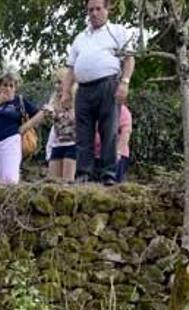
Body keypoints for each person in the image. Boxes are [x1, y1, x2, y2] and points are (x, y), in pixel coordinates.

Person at [60, 0, 135, 185]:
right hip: (84, 89)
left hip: (108, 84)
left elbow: (129, 58)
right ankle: (84, 173)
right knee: (83, 132)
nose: (94, 13)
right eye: (90, 10)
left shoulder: (118, 31)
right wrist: (66, 92)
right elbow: (70, 69)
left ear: (107, 9)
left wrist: (125, 82)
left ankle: (108, 173)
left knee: (109, 130)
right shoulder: (80, 37)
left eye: (98, 9)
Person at [0, 73, 39, 184]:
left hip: (10, 141)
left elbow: (39, 113)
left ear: (15, 88)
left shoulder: (19, 101)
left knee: (9, 179)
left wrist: (25, 127)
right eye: (5, 85)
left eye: (11, 86)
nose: (8, 88)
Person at [23, 68, 78, 182]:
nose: (57, 86)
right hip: (57, 144)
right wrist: (24, 128)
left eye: (60, 82)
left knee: (67, 183)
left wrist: (57, 115)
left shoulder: (76, 99)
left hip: (72, 144)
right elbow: (42, 114)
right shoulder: (54, 99)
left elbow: (76, 119)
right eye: (55, 83)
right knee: (53, 183)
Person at [94, 103, 132, 181]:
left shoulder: (122, 110)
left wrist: (118, 152)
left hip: (115, 156)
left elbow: (125, 133)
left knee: (111, 184)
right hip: (95, 155)